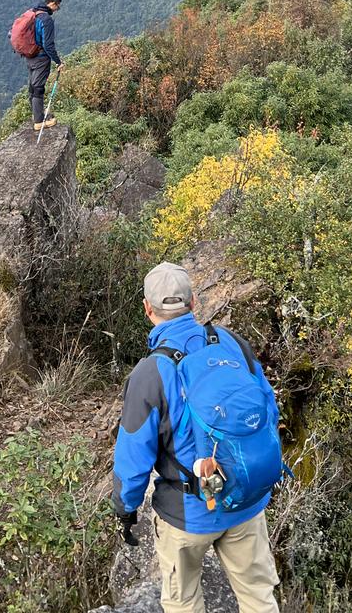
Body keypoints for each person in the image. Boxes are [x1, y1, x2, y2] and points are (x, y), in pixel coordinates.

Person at [112, 262, 281, 613]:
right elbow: (268, 407)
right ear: (193, 303)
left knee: (184, 603)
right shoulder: (232, 343)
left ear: (147, 309)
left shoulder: (150, 373)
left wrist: (125, 511)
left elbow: (133, 457)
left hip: (187, 514)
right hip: (245, 501)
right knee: (259, 599)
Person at [27, 0, 65, 132]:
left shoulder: (33, 13)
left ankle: (37, 115)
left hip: (29, 55)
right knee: (38, 88)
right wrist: (58, 61)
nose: (56, 10)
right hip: (41, 58)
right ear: (53, 3)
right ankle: (38, 121)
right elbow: (48, 45)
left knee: (32, 86)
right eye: (57, 7)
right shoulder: (46, 19)